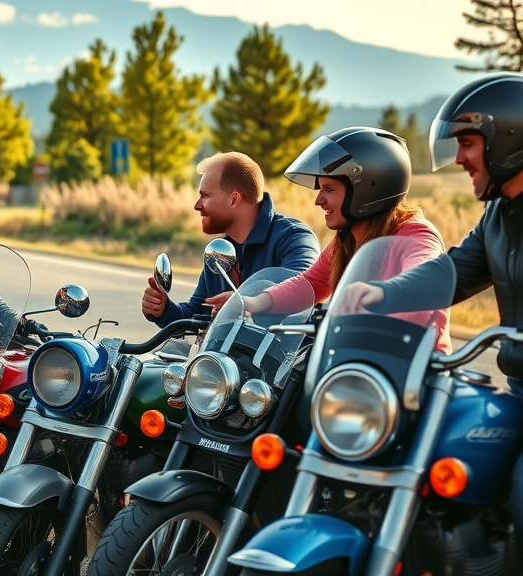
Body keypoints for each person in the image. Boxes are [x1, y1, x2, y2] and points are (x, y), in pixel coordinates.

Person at [347, 74, 523, 538]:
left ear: (509, 139)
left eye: (468, 142)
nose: (460, 157)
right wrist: (382, 292)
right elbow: (453, 272)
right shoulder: (499, 215)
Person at [244, 126, 452, 353]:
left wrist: (381, 301)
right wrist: (253, 302)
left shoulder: (417, 236)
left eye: (329, 189)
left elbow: (425, 285)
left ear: (368, 190)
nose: (319, 200)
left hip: (414, 369)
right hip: (360, 360)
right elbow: (310, 284)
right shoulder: (349, 238)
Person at [141, 151, 320, 324]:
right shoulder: (219, 250)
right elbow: (199, 312)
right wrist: (164, 310)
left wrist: (248, 303)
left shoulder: (294, 238)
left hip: (284, 353)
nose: (197, 206)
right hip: (227, 354)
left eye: (205, 196)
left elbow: (304, 286)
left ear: (234, 200)